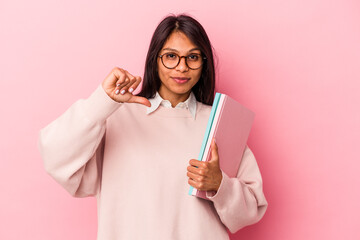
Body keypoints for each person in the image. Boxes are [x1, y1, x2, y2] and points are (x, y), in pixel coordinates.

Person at [39, 14, 267, 240]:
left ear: (204, 63)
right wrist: (101, 101)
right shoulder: (115, 116)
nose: (182, 67)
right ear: (154, 59)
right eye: (171, 56)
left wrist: (220, 185)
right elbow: (56, 157)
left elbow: (252, 208)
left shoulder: (219, 123)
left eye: (193, 57)